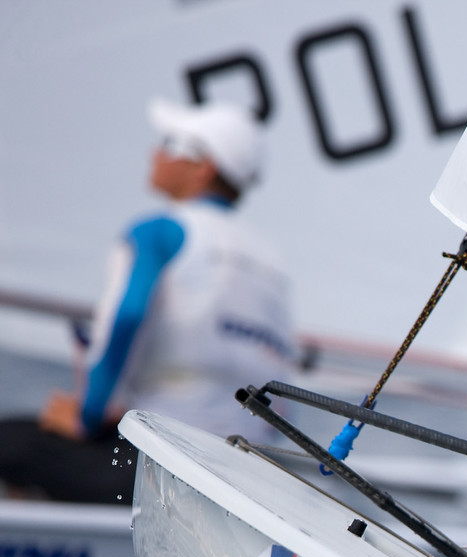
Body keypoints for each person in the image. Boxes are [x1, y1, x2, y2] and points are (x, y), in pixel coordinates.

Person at [0, 99, 293, 504]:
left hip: (144, 469)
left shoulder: (159, 232)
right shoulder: (270, 259)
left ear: (203, 167)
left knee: (10, 442)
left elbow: (127, 317)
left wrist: (85, 418)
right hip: (241, 473)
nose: (155, 153)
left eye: (170, 144)